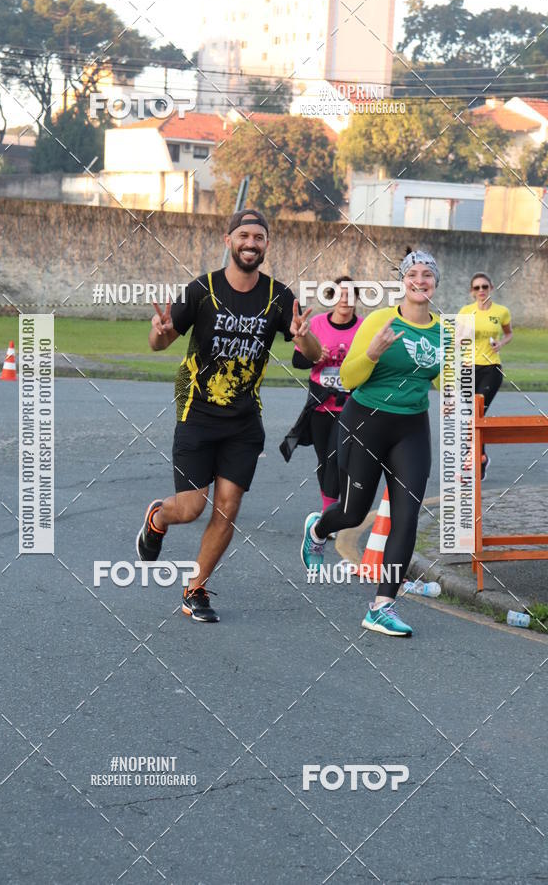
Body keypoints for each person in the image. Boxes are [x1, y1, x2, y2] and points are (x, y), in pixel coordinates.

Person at [136, 208, 321, 623]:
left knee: (227, 508)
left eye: (258, 237)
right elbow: (157, 343)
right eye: (244, 235)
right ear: (228, 240)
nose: (251, 243)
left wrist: (305, 339)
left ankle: (195, 589)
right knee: (190, 508)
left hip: (243, 421)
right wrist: (160, 332)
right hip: (196, 412)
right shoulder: (202, 289)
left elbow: (312, 357)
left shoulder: (279, 297)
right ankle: (157, 517)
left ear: (266, 244)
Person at [300, 250, 449, 638]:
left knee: (407, 516)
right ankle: (318, 531)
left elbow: (441, 383)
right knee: (352, 512)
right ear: (402, 281)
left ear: (435, 283)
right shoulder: (381, 320)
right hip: (365, 421)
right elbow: (349, 378)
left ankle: (382, 607)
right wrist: (372, 353)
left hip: (411, 427)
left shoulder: (444, 330)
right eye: (412, 273)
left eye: (427, 275)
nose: (420, 280)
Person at [280, 278, 363, 524]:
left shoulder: (363, 327)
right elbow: (298, 362)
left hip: (351, 404)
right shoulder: (316, 324)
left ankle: (331, 514)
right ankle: (332, 506)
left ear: (357, 299)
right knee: (324, 459)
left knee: (337, 456)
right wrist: (316, 357)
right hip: (320, 403)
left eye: (350, 294)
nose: (345, 299)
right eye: (340, 294)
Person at [459, 272, 512, 481]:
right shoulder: (465, 311)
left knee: (477, 411)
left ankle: (473, 461)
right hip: (468, 368)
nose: (481, 291)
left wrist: (501, 343)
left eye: (484, 287)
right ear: (472, 292)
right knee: (473, 417)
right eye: (477, 288)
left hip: (491, 368)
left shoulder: (502, 312)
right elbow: (458, 339)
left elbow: (509, 333)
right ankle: (480, 458)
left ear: (491, 288)